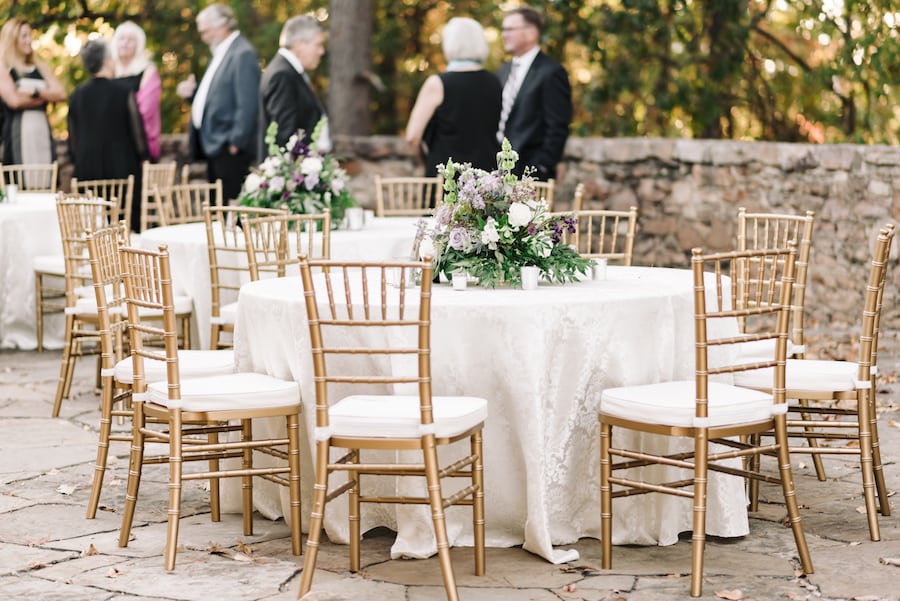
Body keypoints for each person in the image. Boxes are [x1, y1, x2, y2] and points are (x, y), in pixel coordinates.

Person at [176, 3, 259, 202]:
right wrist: (192, 95)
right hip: (215, 145)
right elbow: (218, 99)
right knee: (218, 211)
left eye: (206, 31)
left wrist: (235, 142)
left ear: (222, 25)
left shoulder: (242, 53)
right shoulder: (222, 52)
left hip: (228, 148)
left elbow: (248, 102)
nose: (203, 37)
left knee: (232, 211)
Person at [68, 38, 147, 230]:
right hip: (121, 168)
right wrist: (144, 156)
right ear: (107, 61)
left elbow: (73, 140)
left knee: (93, 227)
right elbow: (137, 134)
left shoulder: (77, 94)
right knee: (125, 224)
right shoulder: (123, 91)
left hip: (87, 170)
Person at [405, 17, 501, 177]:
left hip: (446, 177)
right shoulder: (495, 82)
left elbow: (412, 136)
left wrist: (423, 161)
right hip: (486, 177)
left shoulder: (437, 83)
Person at [496, 6, 572, 180]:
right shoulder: (503, 70)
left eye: (509, 29)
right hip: (498, 172)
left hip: (530, 174)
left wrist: (541, 166)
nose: (503, 34)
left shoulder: (551, 72)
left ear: (531, 32)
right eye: (503, 29)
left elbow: (558, 127)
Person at [258, 15, 331, 158]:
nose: (321, 51)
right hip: (291, 175)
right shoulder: (282, 75)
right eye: (318, 44)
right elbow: (283, 136)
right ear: (299, 45)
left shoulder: (290, 72)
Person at [0, 18, 67, 166]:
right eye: (24, 36)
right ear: (12, 39)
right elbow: (14, 101)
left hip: (42, 130)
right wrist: (47, 96)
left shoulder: (40, 68)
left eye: (30, 35)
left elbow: (61, 94)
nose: (29, 40)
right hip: (17, 133)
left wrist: (36, 93)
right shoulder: (4, 68)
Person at [113, 21, 161, 162]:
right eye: (121, 38)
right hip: (113, 143)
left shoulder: (147, 71)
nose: (125, 43)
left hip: (137, 143)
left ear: (138, 44)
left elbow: (146, 109)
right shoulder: (110, 72)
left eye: (130, 40)